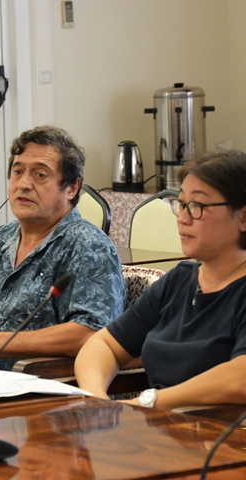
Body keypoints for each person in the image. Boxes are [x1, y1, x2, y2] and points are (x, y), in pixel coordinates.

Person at [0, 126, 126, 371]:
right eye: (18, 172)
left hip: (35, 388)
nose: (24, 184)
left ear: (72, 188)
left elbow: (94, 334)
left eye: (40, 175)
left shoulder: (88, 246)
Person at [75, 149, 246, 410]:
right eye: (181, 204)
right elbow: (104, 344)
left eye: (197, 206)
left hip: (219, 433)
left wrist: (151, 402)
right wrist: (97, 400)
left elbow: (240, 379)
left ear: (243, 217)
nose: (183, 218)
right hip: (155, 425)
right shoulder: (179, 280)